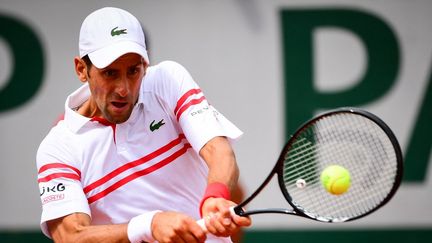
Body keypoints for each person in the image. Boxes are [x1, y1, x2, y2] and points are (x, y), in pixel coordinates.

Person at [36, 7, 251, 243]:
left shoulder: (167, 81)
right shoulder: (58, 148)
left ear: (145, 65)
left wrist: (215, 196)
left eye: (133, 71)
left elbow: (219, 151)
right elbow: (71, 236)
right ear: (81, 70)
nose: (123, 89)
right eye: (110, 73)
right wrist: (149, 225)